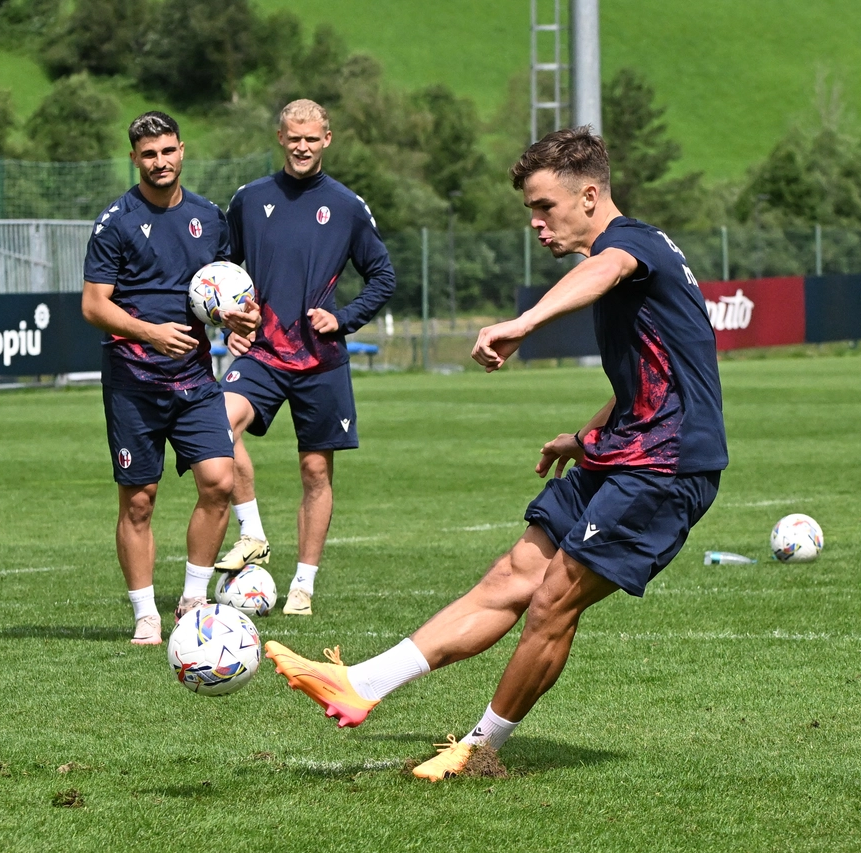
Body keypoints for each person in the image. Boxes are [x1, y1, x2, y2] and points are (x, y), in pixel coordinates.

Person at [264, 126, 728, 779]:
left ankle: (479, 748)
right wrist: (586, 433)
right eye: (530, 211)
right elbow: (661, 373)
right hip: (626, 446)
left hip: (667, 464)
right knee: (513, 574)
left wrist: (523, 322)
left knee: (554, 596)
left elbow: (607, 269)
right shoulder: (641, 252)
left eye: (545, 207)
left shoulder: (630, 247)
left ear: (590, 195)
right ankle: (360, 682)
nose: (536, 224)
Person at [81, 111, 259, 644]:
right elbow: (93, 306)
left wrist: (241, 319)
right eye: (148, 154)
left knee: (219, 482)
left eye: (167, 151)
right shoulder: (115, 221)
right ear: (134, 157)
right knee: (139, 499)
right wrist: (149, 333)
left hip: (195, 378)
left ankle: (193, 599)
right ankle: (144, 614)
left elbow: (226, 290)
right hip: (134, 380)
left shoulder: (210, 216)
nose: (160, 162)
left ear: (183, 150)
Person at [217, 99, 396, 616]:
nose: (302, 146)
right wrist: (232, 322)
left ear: (327, 140)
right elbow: (223, 278)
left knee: (316, 471)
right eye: (294, 137)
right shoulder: (249, 200)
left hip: (321, 360)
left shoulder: (346, 205)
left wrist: (344, 319)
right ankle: (252, 533)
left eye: (312, 138)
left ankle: (302, 586)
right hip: (264, 353)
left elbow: (383, 276)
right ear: (280, 138)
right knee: (214, 425)